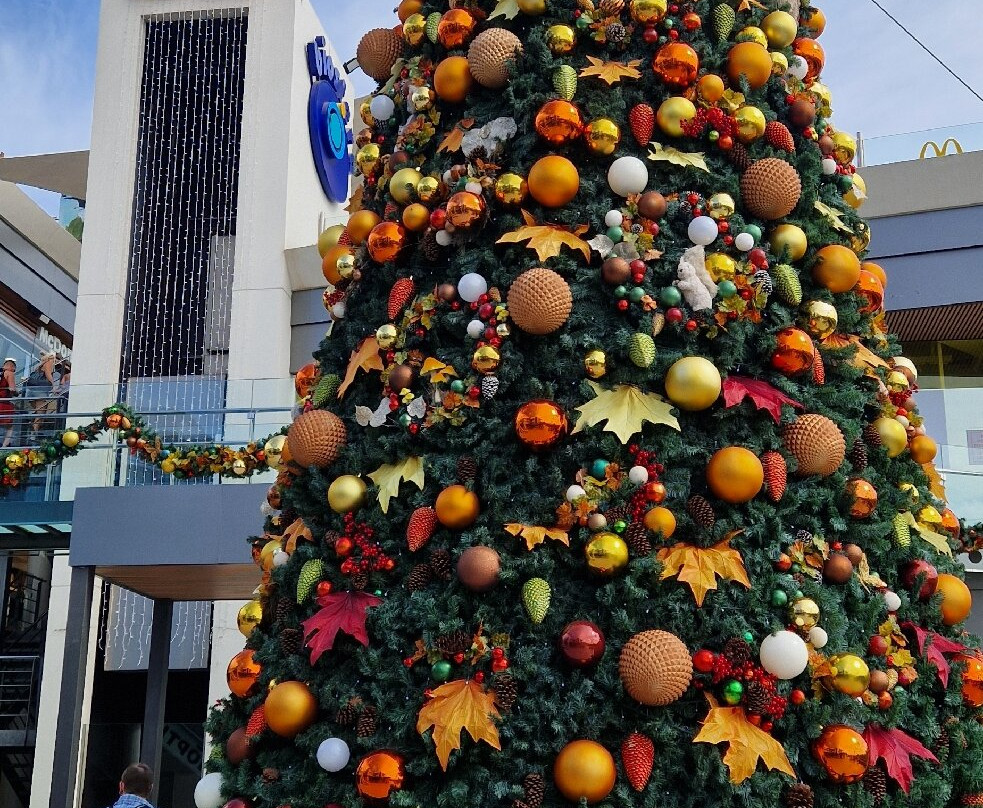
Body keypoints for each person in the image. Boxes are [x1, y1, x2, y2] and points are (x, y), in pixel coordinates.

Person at [25, 351, 57, 439]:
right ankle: (33, 435)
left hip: (32, 391)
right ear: (52, 358)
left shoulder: (40, 365)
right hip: (40, 391)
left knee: (39, 414)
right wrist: (54, 385)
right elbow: (48, 373)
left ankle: (32, 429)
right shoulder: (49, 363)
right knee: (40, 414)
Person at [0, 358, 17, 447]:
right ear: (11, 366)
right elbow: (12, 389)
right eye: (14, 368)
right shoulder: (9, 373)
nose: (14, 370)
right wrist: (17, 393)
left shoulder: (1, 374)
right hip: (3, 403)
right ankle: (4, 446)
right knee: (10, 427)